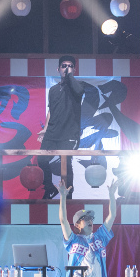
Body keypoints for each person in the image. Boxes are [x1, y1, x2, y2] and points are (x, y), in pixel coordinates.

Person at [37, 55, 85, 199]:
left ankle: (68, 194)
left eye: (70, 66)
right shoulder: (53, 90)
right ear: (58, 69)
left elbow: (79, 92)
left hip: (69, 133)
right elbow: (51, 111)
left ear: (74, 70)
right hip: (52, 132)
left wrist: (69, 76)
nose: (67, 68)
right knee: (42, 159)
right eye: (64, 66)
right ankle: (49, 187)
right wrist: (45, 129)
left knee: (66, 162)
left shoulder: (77, 86)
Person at [58, 179, 119, 277]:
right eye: (85, 218)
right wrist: (63, 196)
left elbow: (112, 216)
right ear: (77, 225)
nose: (90, 221)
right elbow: (63, 220)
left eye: (91, 218)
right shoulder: (73, 240)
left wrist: (112, 195)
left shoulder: (99, 237)